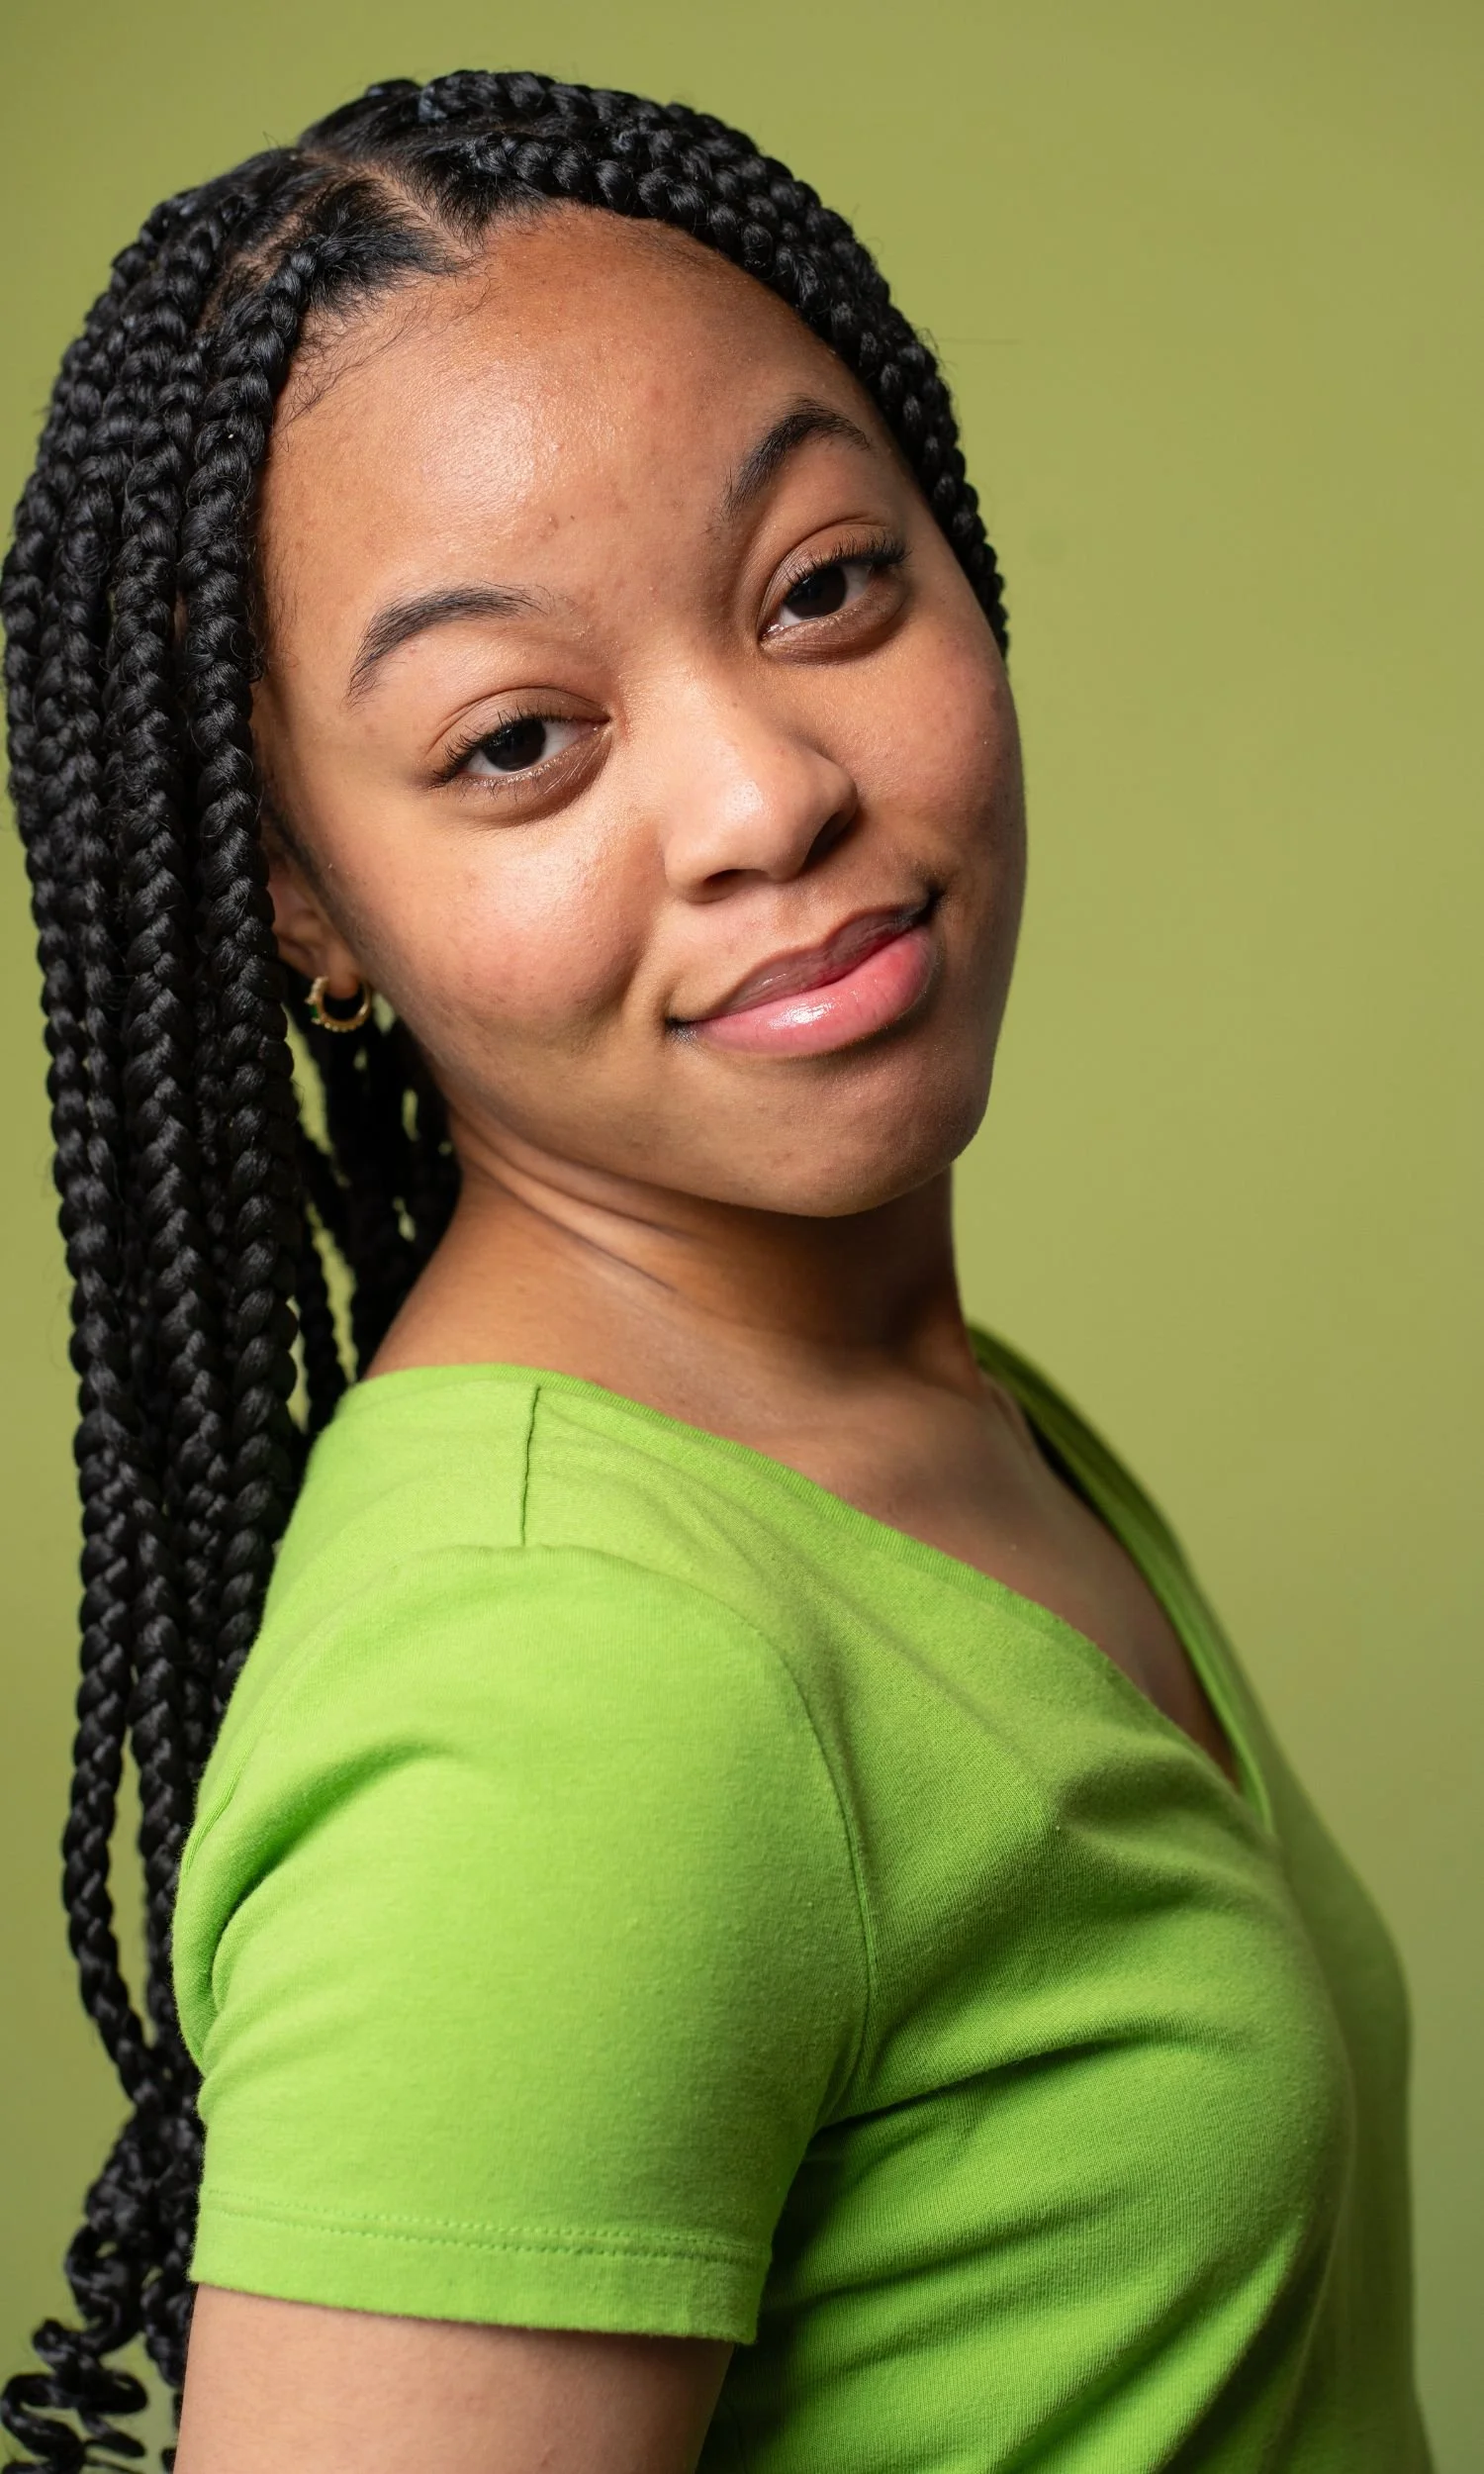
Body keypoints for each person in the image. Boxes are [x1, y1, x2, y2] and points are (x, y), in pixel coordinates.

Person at [1, 67, 1430, 2474]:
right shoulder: (558, 1687)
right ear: (307, 901)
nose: (770, 791)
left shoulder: (919, 1418)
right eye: (517, 741)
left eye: (822, 586)